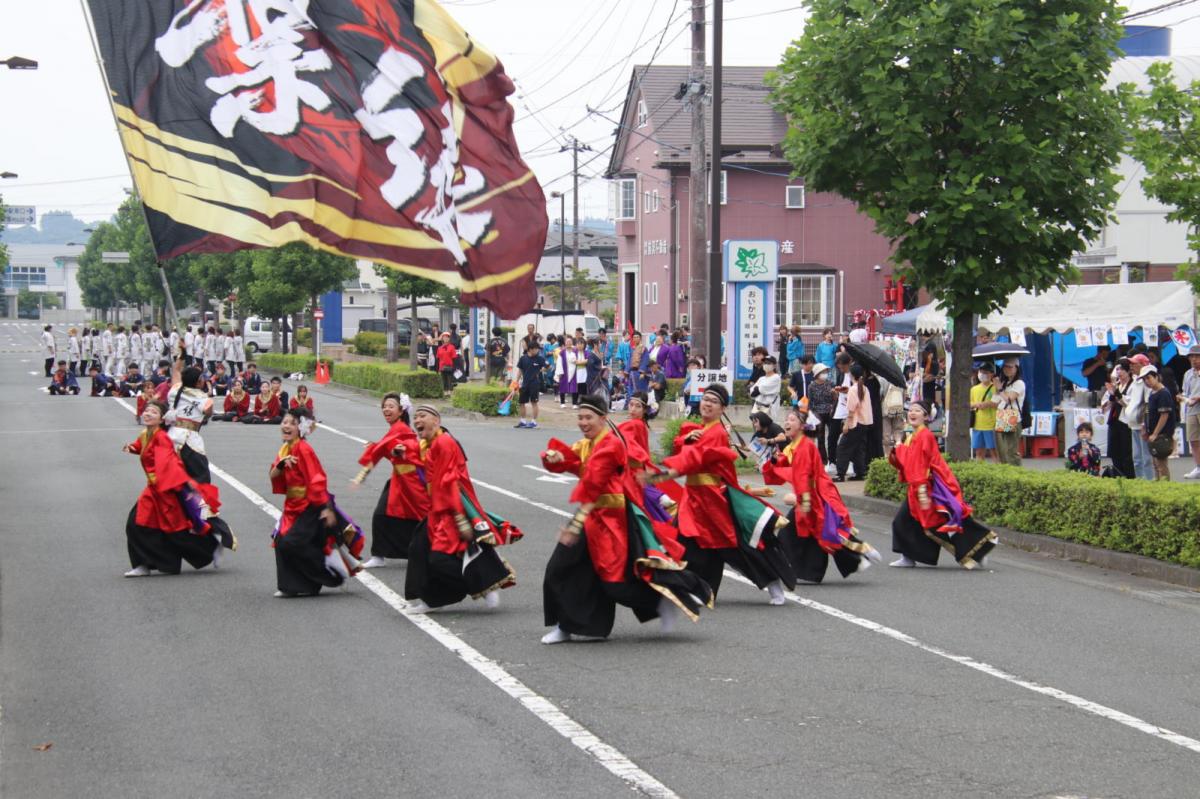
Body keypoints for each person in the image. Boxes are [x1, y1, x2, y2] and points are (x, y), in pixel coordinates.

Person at [540, 395, 713, 643]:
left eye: (588, 417)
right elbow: (575, 462)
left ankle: (663, 600)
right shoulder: (586, 444)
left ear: (603, 418)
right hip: (591, 518)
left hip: (611, 522)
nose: (583, 422)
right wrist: (555, 458)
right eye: (580, 417)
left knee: (616, 583)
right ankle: (565, 627)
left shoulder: (611, 446)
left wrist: (575, 525)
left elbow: (593, 485)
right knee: (559, 569)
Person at [645, 384, 795, 604]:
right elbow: (684, 451)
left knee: (734, 547)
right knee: (685, 542)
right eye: (705, 399)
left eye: (713, 402)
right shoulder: (698, 430)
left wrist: (661, 476)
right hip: (694, 497)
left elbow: (693, 459)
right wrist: (684, 441)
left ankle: (772, 581)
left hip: (712, 499)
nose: (707, 404)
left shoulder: (715, 433)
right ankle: (693, 588)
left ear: (722, 408)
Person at [404, 405, 520, 612]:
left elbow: (450, 481)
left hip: (451, 507)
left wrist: (460, 518)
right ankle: (430, 599)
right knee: (418, 548)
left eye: (422, 416)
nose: (417, 420)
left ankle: (482, 584)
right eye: (415, 417)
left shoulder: (445, 442)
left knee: (440, 559)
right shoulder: (430, 443)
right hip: (437, 508)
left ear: (436, 420)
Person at [763, 405, 881, 582]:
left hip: (813, 496)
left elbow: (802, 476)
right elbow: (786, 467)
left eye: (792, 419)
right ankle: (852, 558)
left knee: (819, 531)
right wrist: (773, 461)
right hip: (808, 495)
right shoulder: (795, 446)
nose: (786, 422)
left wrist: (800, 501)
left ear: (802, 426)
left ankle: (859, 552)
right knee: (818, 533)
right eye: (786, 419)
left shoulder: (804, 447)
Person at [888, 401, 998, 569]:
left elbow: (921, 464)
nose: (912, 413)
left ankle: (978, 551)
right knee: (906, 522)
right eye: (910, 410)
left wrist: (900, 450)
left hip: (928, 488)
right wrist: (899, 448)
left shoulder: (925, 435)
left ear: (926, 416)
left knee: (938, 524)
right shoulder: (914, 435)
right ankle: (908, 556)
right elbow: (910, 462)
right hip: (919, 487)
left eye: (917, 410)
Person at [269, 407, 365, 596]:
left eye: (292, 423)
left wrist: (326, 508)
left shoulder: (303, 449)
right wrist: (280, 465)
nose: (286, 426)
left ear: (301, 428)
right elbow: (273, 475)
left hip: (310, 506)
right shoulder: (285, 449)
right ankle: (292, 587)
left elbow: (317, 478)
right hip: (292, 506)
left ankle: (331, 571)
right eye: (285, 422)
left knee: (291, 543)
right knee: (281, 542)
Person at [122, 400, 221, 577]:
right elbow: (142, 447)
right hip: (152, 489)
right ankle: (146, 564)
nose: (147, 414)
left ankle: (210, 547)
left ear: (162, 419)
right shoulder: (146, 434)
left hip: (164, 489)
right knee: (139, 524)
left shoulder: (162, 438)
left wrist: (183, 482)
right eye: (146, 411)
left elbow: (170, 463)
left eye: (153, 412)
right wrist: (132, 448)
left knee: (175, 531)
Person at [165, 364, 237, 553]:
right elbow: (208, 410)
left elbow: (175, 380)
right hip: (190, 441)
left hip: (171, 440)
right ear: (198, 381)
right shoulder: (201, 396)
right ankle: (204, 522)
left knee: (173, 485)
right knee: (201, 483)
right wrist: (207, 405)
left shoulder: (175, 390)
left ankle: (185, 519)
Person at [355, 393, 430, 568]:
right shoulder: (396, 427)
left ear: (401, 410)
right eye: (384, 406)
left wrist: (363, 473)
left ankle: (433, 549)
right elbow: (386, 447)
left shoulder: (401, 428)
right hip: (400, 478)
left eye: (391, 406)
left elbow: (386, 448)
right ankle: (379, 555)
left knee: (421, 516)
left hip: (410, 480)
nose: (386, 409)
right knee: (383, 514)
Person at [834, 364, 872, 482]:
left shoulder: (854, 389)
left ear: (851, 375)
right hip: (865, 422)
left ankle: (840, 474)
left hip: (855, 422)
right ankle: (860, 472)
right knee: (858, 448)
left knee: (843, 447)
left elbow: (851, 410)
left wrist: (846, 424)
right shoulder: (864, 388)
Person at [1122, 353, 1153, 480]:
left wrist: (1145, 423)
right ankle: (1140, 481)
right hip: (1133, 424)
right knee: (1137, 458)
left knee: (1145, 458)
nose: (1131, 366)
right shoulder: (1136, 380)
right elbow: (1131, 401)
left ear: (1143, 365)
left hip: (1141, 424)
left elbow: (1148, 404)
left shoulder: (1147, 380)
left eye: (1134, 363)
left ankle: (1148, 482)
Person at [1142, 366, 1177, 481]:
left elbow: (1164, 415)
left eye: (1149, 378)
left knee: (1161, 465)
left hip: (1162, 434)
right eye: (1144, 379)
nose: (1147, 381)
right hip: (1153, 433)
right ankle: (1158, 487)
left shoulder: (1163, 393)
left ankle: (1165, 490)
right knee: (1156, 465)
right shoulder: (1153, 392)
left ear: (1156, 377)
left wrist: (1155, 433)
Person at [1102, 360, 1135, 478]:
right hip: (1114, 420)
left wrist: (1117, 394)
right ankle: (1118, 474)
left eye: (1121, 369)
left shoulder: (1133, 385)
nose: (1119, 372)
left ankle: (1129, 476)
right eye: (1117, 370)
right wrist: (1112, 395)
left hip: (1126, 422)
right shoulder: (1116, 384)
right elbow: (1105, 403)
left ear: (1128, 371)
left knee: (1126, 451)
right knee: (1113, 449)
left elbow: (1130, 403)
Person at [992, 358, 1025, 467]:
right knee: (1001, 450)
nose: (1007, 369)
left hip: (1013, 417)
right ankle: (1005, 471)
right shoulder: (1005, 382)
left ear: (1017, 368)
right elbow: (995, 401)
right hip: (1002, 415)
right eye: (1005, 367)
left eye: (1010, 367)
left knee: (1011, 450)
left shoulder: (1019, 383)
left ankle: (1016, 473)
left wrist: (1000, 388)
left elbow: (1009, 398)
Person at [969, 362, 998, 462]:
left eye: (985, 372)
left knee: (994, 451)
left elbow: (998, 403)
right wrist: (977, 404)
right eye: (981, 372)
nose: (982, 374)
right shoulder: (974, 389)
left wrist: (988, 404)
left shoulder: (996, 388)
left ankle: (998, 470)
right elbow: (969, 403)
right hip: (977, 424)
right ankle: (980, 471)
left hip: (991, 424)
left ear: (991, 374)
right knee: (979, 451)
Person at [827, 354, 852, 468]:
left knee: (849, 438)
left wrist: (848, 391)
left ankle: (851, 463)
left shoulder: (854, 374)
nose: (841, 369)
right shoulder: (841, 374)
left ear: (848, 364)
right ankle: (831, 461)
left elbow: (858, 390)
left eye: (842, 366)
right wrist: (836, 391)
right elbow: (838, 387)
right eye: (839, 367)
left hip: (851, 408)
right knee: (832, 436)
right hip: (840, 407)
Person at [808, 363, 836, 463]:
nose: (825, 374)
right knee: (820, 437)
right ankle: (823, 460)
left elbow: (835, 399)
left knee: (833, 435)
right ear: (817, 373)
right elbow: (810, 402)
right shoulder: (811, 386)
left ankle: (833, 458)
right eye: (822, 372)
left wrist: (834, 394)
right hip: (817, 413)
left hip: (830, 412)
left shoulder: (830, 383)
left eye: (826, 372)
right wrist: (810, 414)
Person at [515, 340, 546, 429]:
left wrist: (543, 369)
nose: (538, 351)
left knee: (534, 402)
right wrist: (516, 382)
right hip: (524, 384)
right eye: (536, 349)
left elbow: (545, 367)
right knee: (521, 402)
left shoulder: (540, 358)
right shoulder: (523, 358)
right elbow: (520, 370)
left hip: (535, 384)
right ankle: (523, 421)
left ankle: (534, 422)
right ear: (531, 349)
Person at [1180, 346, 1200, 479]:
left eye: (1197, 356)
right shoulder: (1188, 373)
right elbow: (1185, 392)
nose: (1194, 359)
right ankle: (1198, 467)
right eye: (1191, 357)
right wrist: (1181, 397)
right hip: (1191, 409)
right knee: (1193, 440)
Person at [558, 338, 584, 408]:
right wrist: (559, 372)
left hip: (574, 371)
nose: (569, 343)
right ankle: (562, 403)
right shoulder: (562, 352)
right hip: (564, 371)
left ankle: (574, 404)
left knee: (574, 388)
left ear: (572, 342)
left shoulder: (576, 351)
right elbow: (559, 363)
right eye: (567, 342)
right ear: (565, 343)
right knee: (562, 387)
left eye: (570, 342)